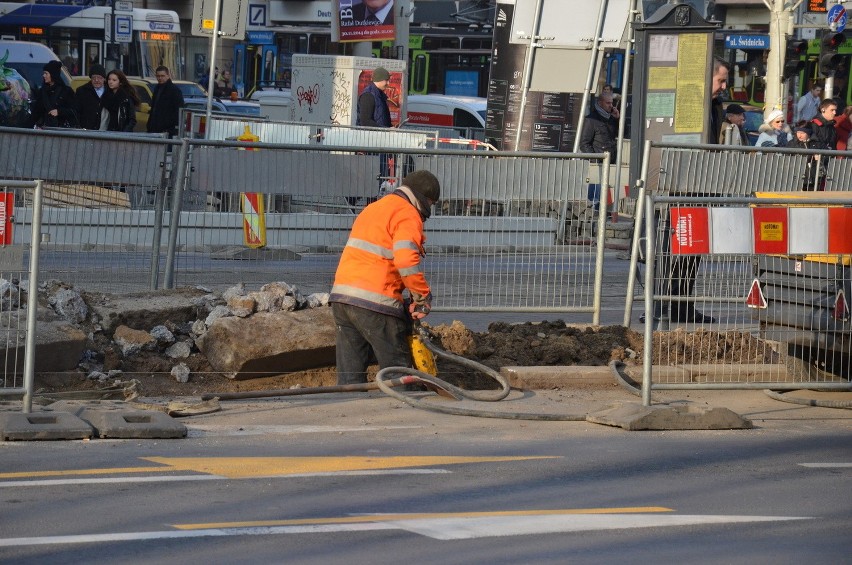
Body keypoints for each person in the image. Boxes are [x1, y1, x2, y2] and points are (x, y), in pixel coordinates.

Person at [329, 170, 440, 385]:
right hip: (376, 302)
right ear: (424, 199)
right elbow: (406, 260)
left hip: (342, 298)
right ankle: (401, 414)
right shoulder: (407, 213)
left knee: (349, 376)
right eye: (431, 204)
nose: (429, 211)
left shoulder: (374, 208)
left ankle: (346, 413)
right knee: (397, 370)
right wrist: (421, 297)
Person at [31, 60, 77, 129]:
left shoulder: (66, 91)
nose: (43, 76)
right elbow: (36, 113)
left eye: (46, 73)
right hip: (44, 130)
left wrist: (59, 112)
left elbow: (74, 111)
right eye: (44, 73)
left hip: (62, 131)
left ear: (53, 74)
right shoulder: (42, 91)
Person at [146, 66, 184, 137]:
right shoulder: (157, 89)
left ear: (168, 76)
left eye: (162, 76)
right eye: (158, 76)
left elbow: (178, 111)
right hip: (154, 128)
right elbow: (154, 108)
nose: (160, 78)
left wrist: (171, 128)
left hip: (167, 130)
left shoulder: (174, 90)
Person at [788, 122, 822, 191]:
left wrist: (820, 157)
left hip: (814, 177)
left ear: (808, 133)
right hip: (797, 177)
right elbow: (787, 158)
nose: (799, 135)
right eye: (798, 132)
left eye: (802, 133)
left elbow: (828, 155)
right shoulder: (792, 144)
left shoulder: (817, 143)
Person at [75, 64, 108, 130]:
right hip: (86, 131)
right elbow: (76, 112)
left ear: (104, 78)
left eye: (99, 77)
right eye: (93, 77)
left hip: (106, 131)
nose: (96, 80)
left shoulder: (110, 91)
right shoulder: (81, 91)